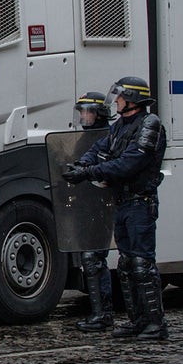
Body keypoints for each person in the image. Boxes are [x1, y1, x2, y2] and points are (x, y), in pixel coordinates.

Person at [63, 76, 168, 340]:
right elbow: (99, 148)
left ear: (131, 98)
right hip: (122, 202)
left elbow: (129, 163)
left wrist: (89, 172)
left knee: (143, 264)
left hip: (140, 203)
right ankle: (136, 321)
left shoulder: (149, 124)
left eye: (120, 96)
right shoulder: (120, 126)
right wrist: (81, 164)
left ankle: (155, 323)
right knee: (126, 265)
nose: (117, 101)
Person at [72, 92, 116, 332]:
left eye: (87, 111)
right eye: (81, 112)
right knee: (89, 260)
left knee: (94, 258)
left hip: (102, 205)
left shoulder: (106, 137)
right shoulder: (84, 138)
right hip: (85, 205)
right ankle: (99, 312)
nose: (83, 116)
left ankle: (104, 313)